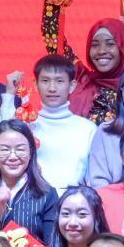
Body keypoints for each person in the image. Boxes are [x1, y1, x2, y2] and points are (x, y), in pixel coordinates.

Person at [0, 118, 58, 246]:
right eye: (5, 150)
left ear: (31, 152)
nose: (13, 156)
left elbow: (52, 246)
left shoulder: (47, 195)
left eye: (20, 149)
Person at [29, 53, 98, 191]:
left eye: (59, 81)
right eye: (45, 81)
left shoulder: (87, 129)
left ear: (72, 86)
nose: (52, 88)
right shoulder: (26, 126)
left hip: (74, 200)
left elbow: (93, 180)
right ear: (36, 85)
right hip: (33, 200)